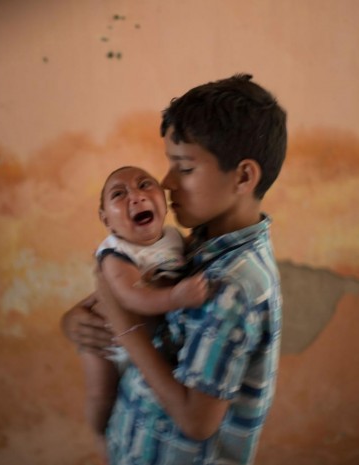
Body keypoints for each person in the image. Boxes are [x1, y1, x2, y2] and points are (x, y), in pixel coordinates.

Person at [61, 73, 287, 465]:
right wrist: (79, 319)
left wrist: (126, 329)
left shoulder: (233, 285)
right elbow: (137, 292)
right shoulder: (201, 242)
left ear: (243, 176)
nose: (165, 183)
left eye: (183, 167)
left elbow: (196, 422)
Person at [81, 165, 209, 462]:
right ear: (106, 219)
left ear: (163, 202)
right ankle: (100, 434)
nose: (136, 197)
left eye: (144, 185)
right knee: (101, 394)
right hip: (107, 342)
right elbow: (131, 297)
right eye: (119, 194)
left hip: (141, 339)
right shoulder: (115, 254)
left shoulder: (174, 238)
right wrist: (175, 296)